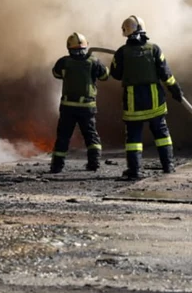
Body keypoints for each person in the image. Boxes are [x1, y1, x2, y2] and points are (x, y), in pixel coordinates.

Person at [110, 15, 183, 180]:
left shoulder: (121, 52)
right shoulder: (154, 49)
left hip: (133, 101)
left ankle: (134, 171)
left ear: (126, 32)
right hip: (154, 99)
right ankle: (168, 167)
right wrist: (175, 90)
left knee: (134, 137)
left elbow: (115, 74)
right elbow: (166, 74)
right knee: (161, 133)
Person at [50, 32, 110, 173]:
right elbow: (105, 76)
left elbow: (56, 74)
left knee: (63, 136)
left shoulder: (63, 62)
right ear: (85, 46)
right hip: (87, 107)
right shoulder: (93, 62)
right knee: (90, 136)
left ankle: (57, 167)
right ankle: (94, 164)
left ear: (69, 47)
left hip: (67, 107)